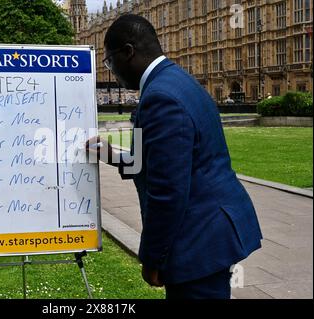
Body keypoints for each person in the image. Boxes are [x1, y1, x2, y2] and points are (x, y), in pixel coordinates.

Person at [86, 14, 262, 299]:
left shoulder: (160, 97)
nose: (111, 70)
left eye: (109, 61)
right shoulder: (177, 80)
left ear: (128, 52)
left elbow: (168, 190)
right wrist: (112, 155)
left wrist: (153, 258)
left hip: (199, 238)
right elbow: (164, 161)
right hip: (213, 229)